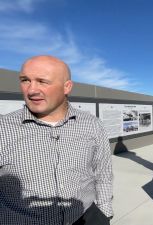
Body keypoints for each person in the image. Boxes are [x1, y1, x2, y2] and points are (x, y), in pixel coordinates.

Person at [0, 55, 113, 225]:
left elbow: (103, 171)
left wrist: (104, 211)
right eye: (25, 80)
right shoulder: (3, 128)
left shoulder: (92, 124)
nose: (31, 90)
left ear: (67, 87)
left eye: (42, 81)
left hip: (87, 218)